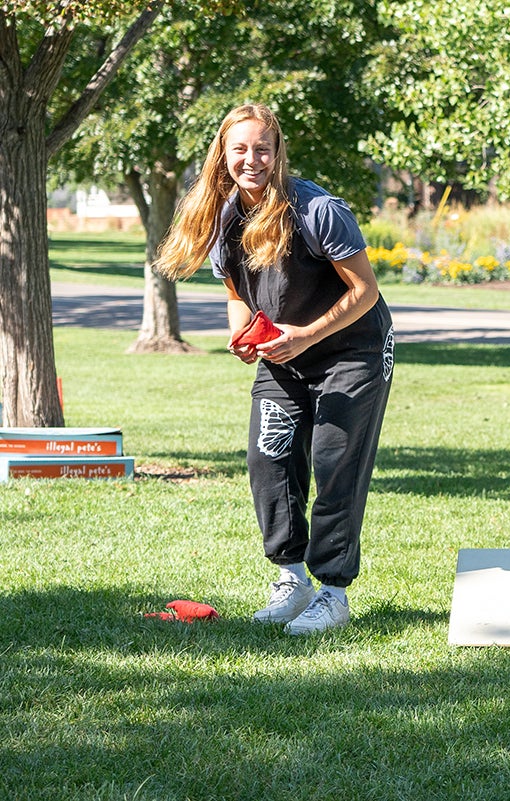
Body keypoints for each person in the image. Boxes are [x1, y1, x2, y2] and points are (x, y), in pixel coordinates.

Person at [156, 104, 394, 635]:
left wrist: (307, 335)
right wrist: (243, 335)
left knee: (335, 463)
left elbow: (365, 291)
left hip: (352, 351)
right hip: (285, 353)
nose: (251, 159)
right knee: (270, 457)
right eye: (239, 148)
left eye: (262, 148)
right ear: (223, 153)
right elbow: (239, 291)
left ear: (278, 151)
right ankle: (292, 579)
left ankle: (332, 592)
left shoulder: (317, 210)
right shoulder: (219, 217)